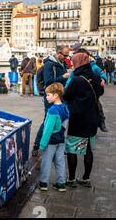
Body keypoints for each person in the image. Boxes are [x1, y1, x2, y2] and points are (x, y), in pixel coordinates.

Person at [63, 53, 104, 188]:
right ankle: (86, 178)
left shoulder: (76, 79)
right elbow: (100, 93)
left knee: (72, 149)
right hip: (92, 117)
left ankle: (71, 179)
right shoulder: (96, 76)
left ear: (77, 62)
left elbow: (66, 95)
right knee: (88, 149)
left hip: (78, 118)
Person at [32, 45, 70, 157]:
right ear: (58, 53)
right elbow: (48, 82)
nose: (66, 57)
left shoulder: (62, 63)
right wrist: (63, 77)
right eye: (65, 55)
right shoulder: (49, 64)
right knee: (47, 121)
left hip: (60, 97)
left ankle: (56, 144)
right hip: (50, 98)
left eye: (67, 55)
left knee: (61, 120)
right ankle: (36, 145)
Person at [38, 83, 69, 192]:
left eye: (48, 95)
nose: (46, 97)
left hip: (51, 141)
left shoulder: (52, 110)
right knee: (60, 162)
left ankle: (43, 183)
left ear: (56, 95)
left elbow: (47, 130)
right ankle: (61, 183)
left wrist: (42, 144)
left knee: (46, 161)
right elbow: (65, 126)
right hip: (61, 140)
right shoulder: (65, 108)